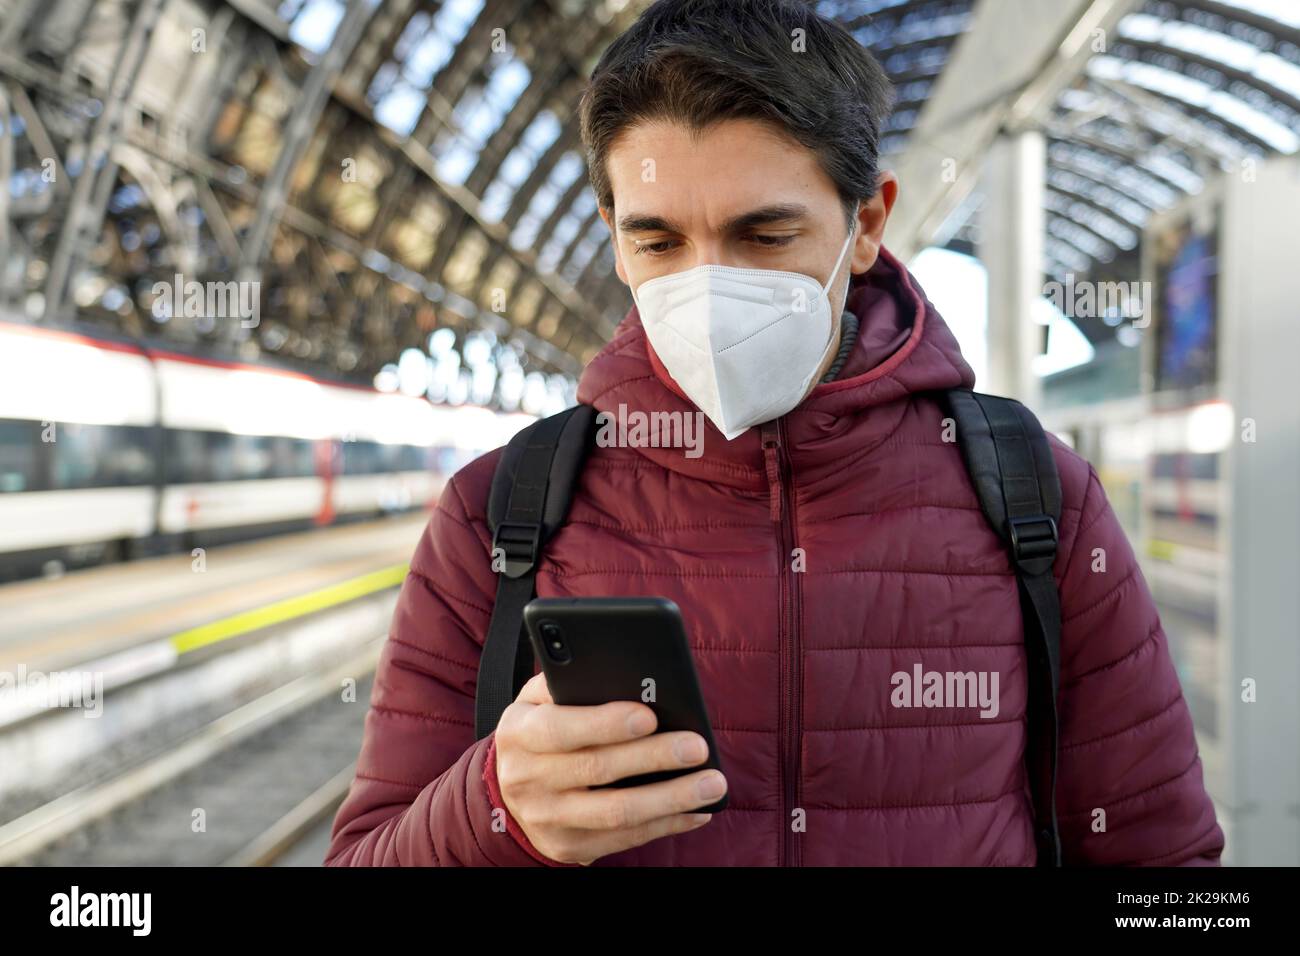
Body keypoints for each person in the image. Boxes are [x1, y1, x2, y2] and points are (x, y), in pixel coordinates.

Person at [325, 0, 1224, 866]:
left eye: (764, 235)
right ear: (611, 236)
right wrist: (493, 814)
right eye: (659, 242)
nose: (708, 291)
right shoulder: (500, 514)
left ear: (865, 223)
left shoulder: (1036, 498)